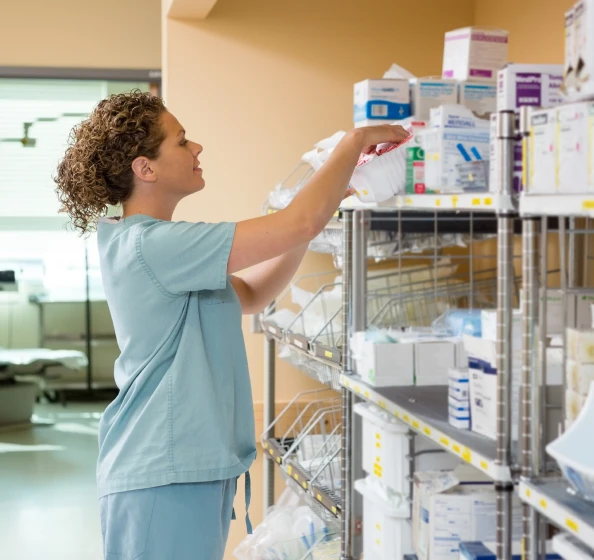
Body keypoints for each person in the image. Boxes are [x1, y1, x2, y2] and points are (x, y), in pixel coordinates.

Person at [54, 90, 409, 560]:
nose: (196, 148)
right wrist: (355, 142)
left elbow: (252, 294)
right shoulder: (153, 246)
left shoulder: (156, 248)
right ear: (146, 168)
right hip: (163, 469)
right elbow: (296, 221)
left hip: (188, 467)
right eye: (182, 142)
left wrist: (317, 218)